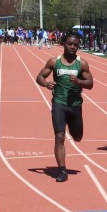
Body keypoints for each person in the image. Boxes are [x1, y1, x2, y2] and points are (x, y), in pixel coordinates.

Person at [36, 31, 93, 181]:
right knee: (59, 136)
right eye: (69, 44)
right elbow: (39, 77)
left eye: (75, 45)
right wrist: (46, 83)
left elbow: (90, 84)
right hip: (59, 103)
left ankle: (76, 134)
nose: (72, 47)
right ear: (63, 44)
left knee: (78, 137)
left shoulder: (82, 64)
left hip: (75, 105)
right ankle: (62, 171)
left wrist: (79, 82)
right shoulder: (54, 62)